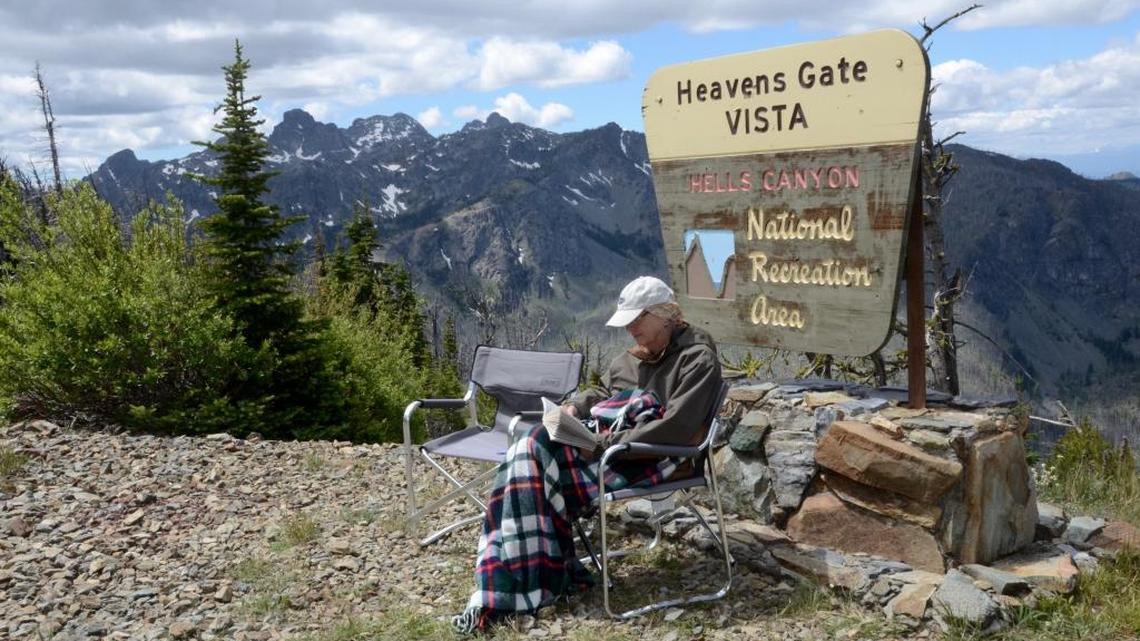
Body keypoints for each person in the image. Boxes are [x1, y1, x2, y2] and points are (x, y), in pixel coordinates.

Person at [453, 276, 722, 634]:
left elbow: (676, 427)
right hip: (614, 449)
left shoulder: (696, 360)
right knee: (533, 446)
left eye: (637, 319)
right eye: (627, 320)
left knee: (532, 453)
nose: (630, 328)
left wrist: (601, 445)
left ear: (666, 315)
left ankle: (521, 579)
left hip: (655, 457)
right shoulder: (634, 357)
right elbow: (605, 392)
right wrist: (575, 408)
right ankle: (526, 574)